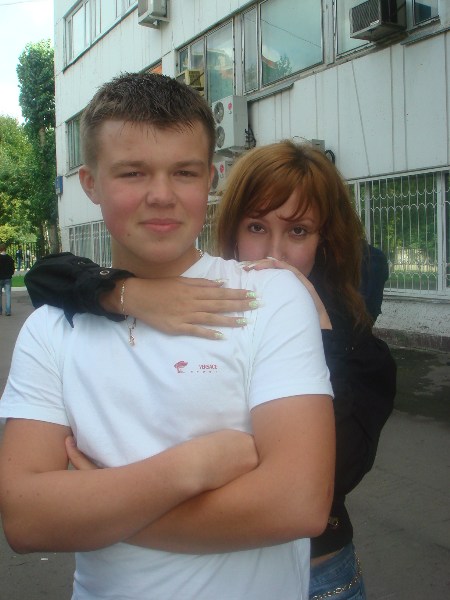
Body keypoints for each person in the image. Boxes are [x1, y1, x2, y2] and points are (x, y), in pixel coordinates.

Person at [0, 73, 335, 600]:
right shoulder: (52, 329)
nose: (161, 196)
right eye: (133, 173)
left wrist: (102, 506)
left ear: (211, 178)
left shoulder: (268, 298)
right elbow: (25, 519)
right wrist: (189, 469)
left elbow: (297, 503)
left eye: (184, 172)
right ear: (90, 183)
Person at [26, 140, 396, 599]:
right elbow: (46, 276)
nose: (275, 251)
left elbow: (310, 491)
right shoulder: (207, 302)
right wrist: (124, 294)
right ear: (232, 228)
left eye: (299, 231)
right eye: (256, 226)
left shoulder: (364, 355)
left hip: (323, 579)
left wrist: (106, 513)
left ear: (325, 242)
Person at [0, 243, 15, 316]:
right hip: (8, 278)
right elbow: (13, 269)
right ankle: (8, 311)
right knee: (8, 295)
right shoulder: (9, 258)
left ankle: (0, 310)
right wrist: (10, 274)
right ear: (5, 249)